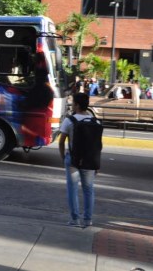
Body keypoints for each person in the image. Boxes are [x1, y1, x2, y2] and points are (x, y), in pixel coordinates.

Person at [58, 92, 97, 227]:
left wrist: (64, 157)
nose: (72, 105)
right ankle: (88, 220)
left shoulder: (69, 120)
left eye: (73, 103)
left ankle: (75, 219)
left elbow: (61, 141)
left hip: (73, 159)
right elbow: (97, 144)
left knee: (72, 189)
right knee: (89, 189)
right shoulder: (93, 120)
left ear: (77, 105)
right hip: (89, 160)